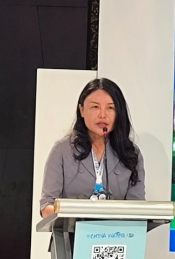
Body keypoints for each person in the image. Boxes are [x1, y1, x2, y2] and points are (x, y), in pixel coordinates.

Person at [40, 78, 145, 218]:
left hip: (115, 231)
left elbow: (138, 208)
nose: (102, 115)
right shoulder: (62, 150)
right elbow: (47, 206)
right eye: (95, 107)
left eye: (110, 108)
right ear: (82, 110)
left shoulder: (131, 154)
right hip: (72, 231)